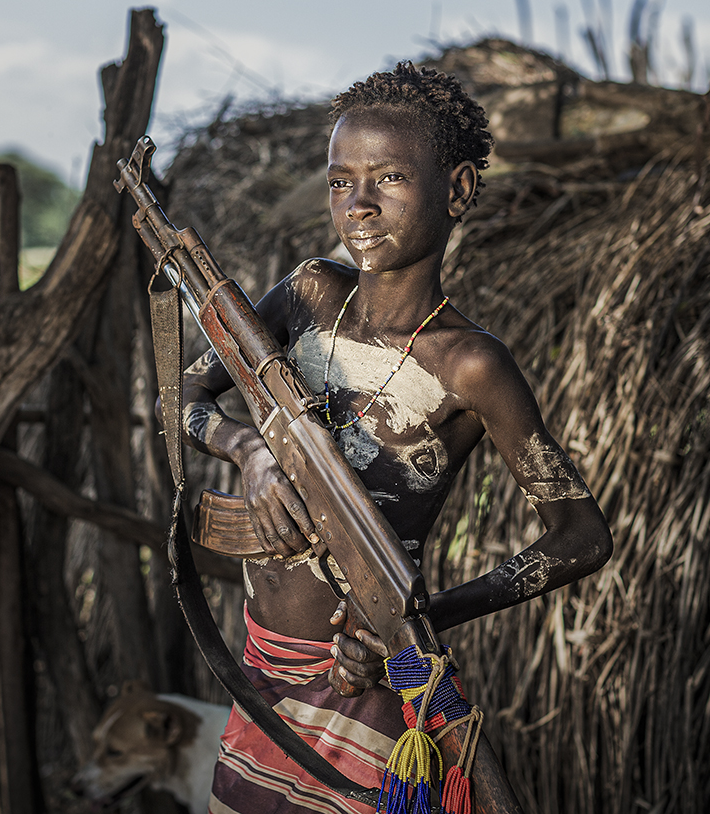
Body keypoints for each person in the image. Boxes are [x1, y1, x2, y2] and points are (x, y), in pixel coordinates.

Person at [180, 61, 613, 812]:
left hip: (367, 683)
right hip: (261, 668)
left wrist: (425, 619)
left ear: (458, 190)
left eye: (389, 179)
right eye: (341, 181)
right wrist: (247, 450)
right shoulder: (309, 295)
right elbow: (182, 391)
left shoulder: (471, 365)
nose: (360, 206)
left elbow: (582, 535)